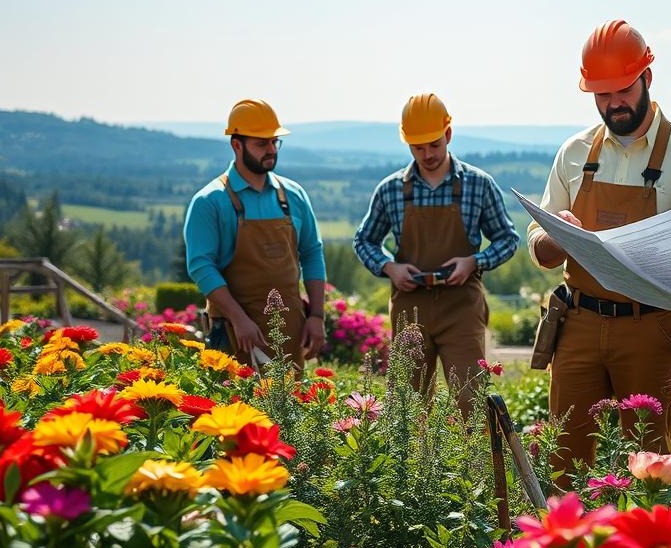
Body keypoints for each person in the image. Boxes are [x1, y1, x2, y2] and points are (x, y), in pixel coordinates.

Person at [529, 20, 671, 479]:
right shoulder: (573, 152)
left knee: (650, 464)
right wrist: (556, 234)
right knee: (565, 459)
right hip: (578, 323)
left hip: (651, 328)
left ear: (647, 79)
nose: (613, 104)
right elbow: (538, 244)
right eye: (601, 95)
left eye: (623, 90)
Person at [353, 93, 519, 414]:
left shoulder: (478, 184)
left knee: (471, 402)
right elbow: (364, 241)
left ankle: (474, 465)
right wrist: (390, 268)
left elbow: (508, 239)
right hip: (409, 309)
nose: (427, 154)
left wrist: (474, 261)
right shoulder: (391, 189)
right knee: (407, 408)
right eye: (418, 147)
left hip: (461, 307)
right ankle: (412, 466)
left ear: (448, 134)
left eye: (433, 144)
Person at [184, 99, 327, 370]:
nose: (271, 150)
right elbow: (201, 266)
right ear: (236, 145)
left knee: (287, 408)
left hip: (289, 330)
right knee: (231, 407)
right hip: (231, 330)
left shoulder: (294, 195)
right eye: (261, 144)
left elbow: (312, 253)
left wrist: (317, 316)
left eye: (274, 142)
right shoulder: (210, 201)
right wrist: (239, 319)